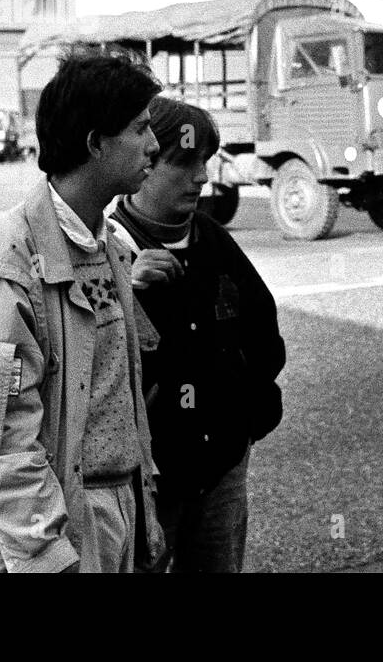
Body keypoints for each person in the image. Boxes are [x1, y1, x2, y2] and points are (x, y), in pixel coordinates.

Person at [0, 51, 167, 572]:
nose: (155, 146)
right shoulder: (8, 267)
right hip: (48, 529)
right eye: (140, 129)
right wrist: (48, 555)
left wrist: (143, 519)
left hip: (113, 514)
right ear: (95, 143)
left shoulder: (109, 246)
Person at [109, 96, 285, 572]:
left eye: (205, 161)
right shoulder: (107, 248)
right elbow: (86, 366)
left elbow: (264, 337)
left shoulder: (214, 240)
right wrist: (124, 289)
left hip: (221, 468)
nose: (202, 177)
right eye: (185, 162)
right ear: (145, 162)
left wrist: (246, 419)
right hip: (145, 481)